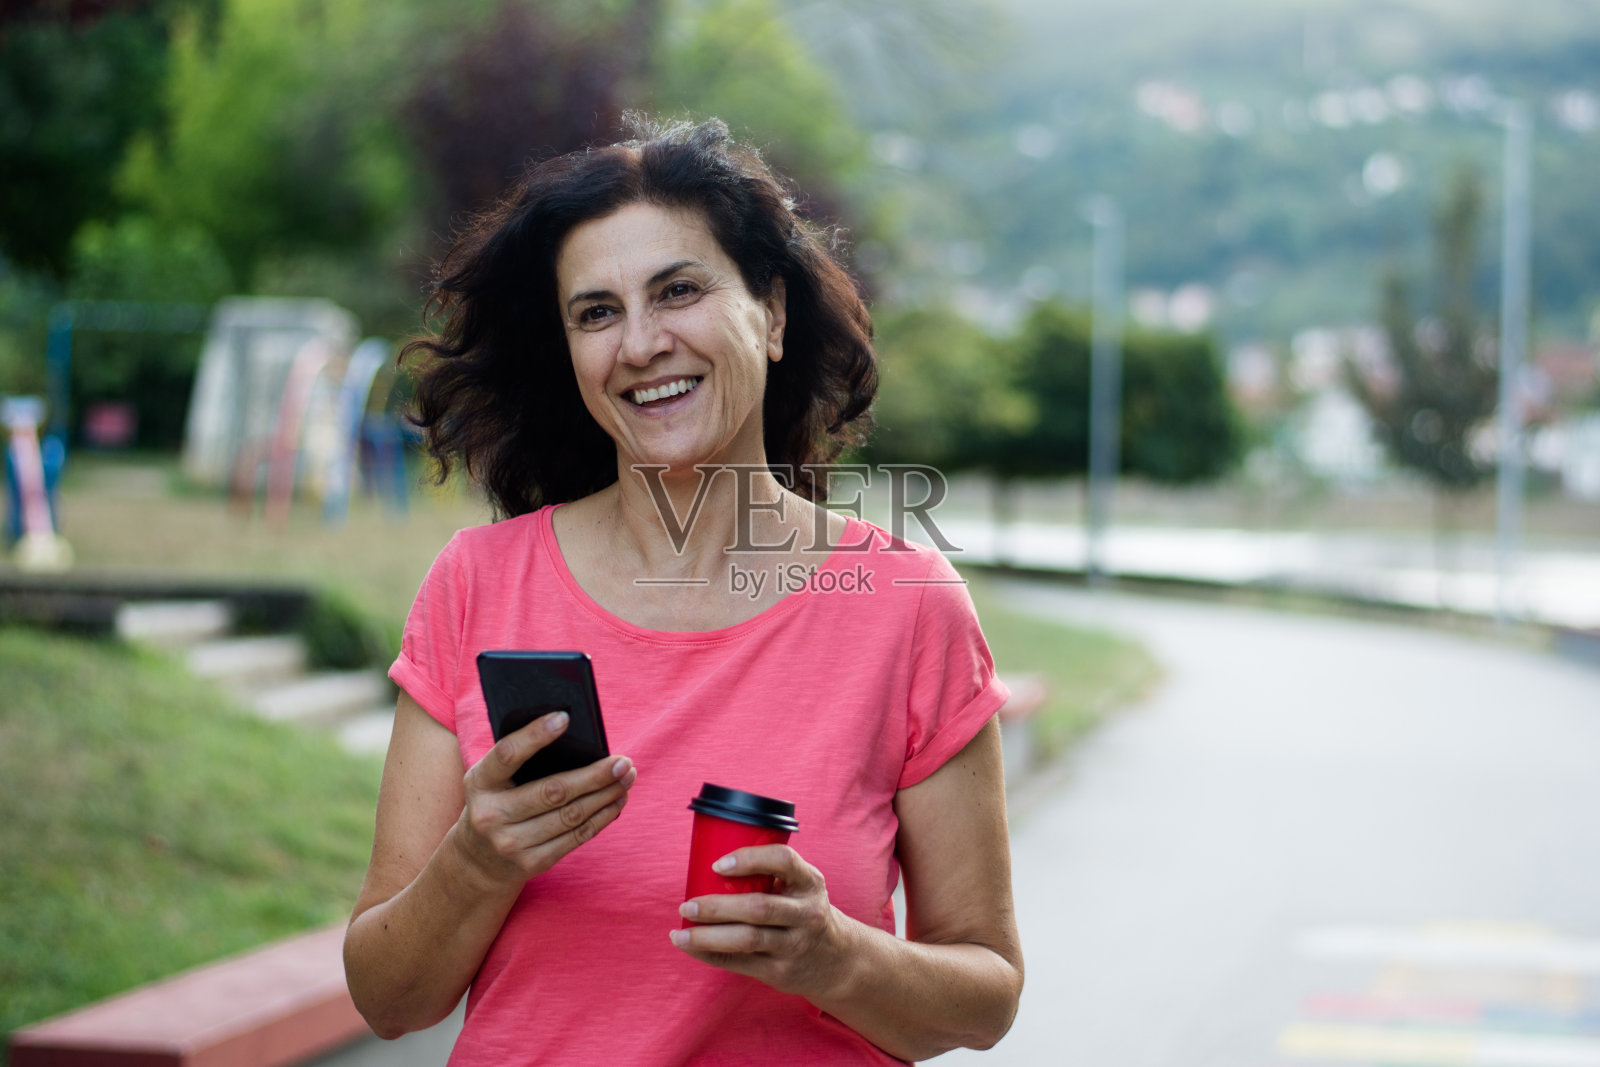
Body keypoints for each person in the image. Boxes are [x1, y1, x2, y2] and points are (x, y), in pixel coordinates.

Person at [343, 115, 1023, 1065]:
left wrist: (834, 958)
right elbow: (387, 998)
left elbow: (983, 994)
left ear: (773, 314)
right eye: (596, 312)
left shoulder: (907, 604)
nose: (641, 344)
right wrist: (475, 860)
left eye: (679, 290)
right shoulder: (476, 585)